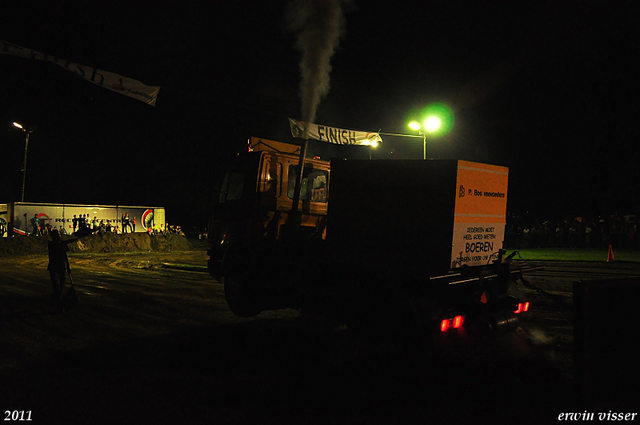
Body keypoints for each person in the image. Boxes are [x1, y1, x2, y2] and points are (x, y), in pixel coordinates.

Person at [48, 230, 77, 309]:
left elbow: (65, 256)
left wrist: (68, 266)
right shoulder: (51, 244)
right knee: (57, 287)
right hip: (54, 267)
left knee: (61, 286)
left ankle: (56, 299)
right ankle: (58, 303)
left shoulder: (60, 244)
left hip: (60, 267)